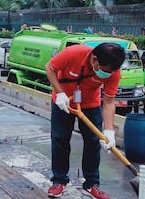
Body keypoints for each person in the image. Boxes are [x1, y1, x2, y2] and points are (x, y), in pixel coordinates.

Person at [44, 42, 126, 199]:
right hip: (63, 101)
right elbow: (50, 67)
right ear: (94, 60)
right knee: (60, 139)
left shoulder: (113, 72)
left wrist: (109, 131)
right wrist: (59, 93)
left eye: (111, 72)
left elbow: (109, 101)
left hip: (89, 103)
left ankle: (92, 183)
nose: (107, 75)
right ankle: (59, 181)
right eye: (105, 71)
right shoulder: (73, 53)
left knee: (93, 142)